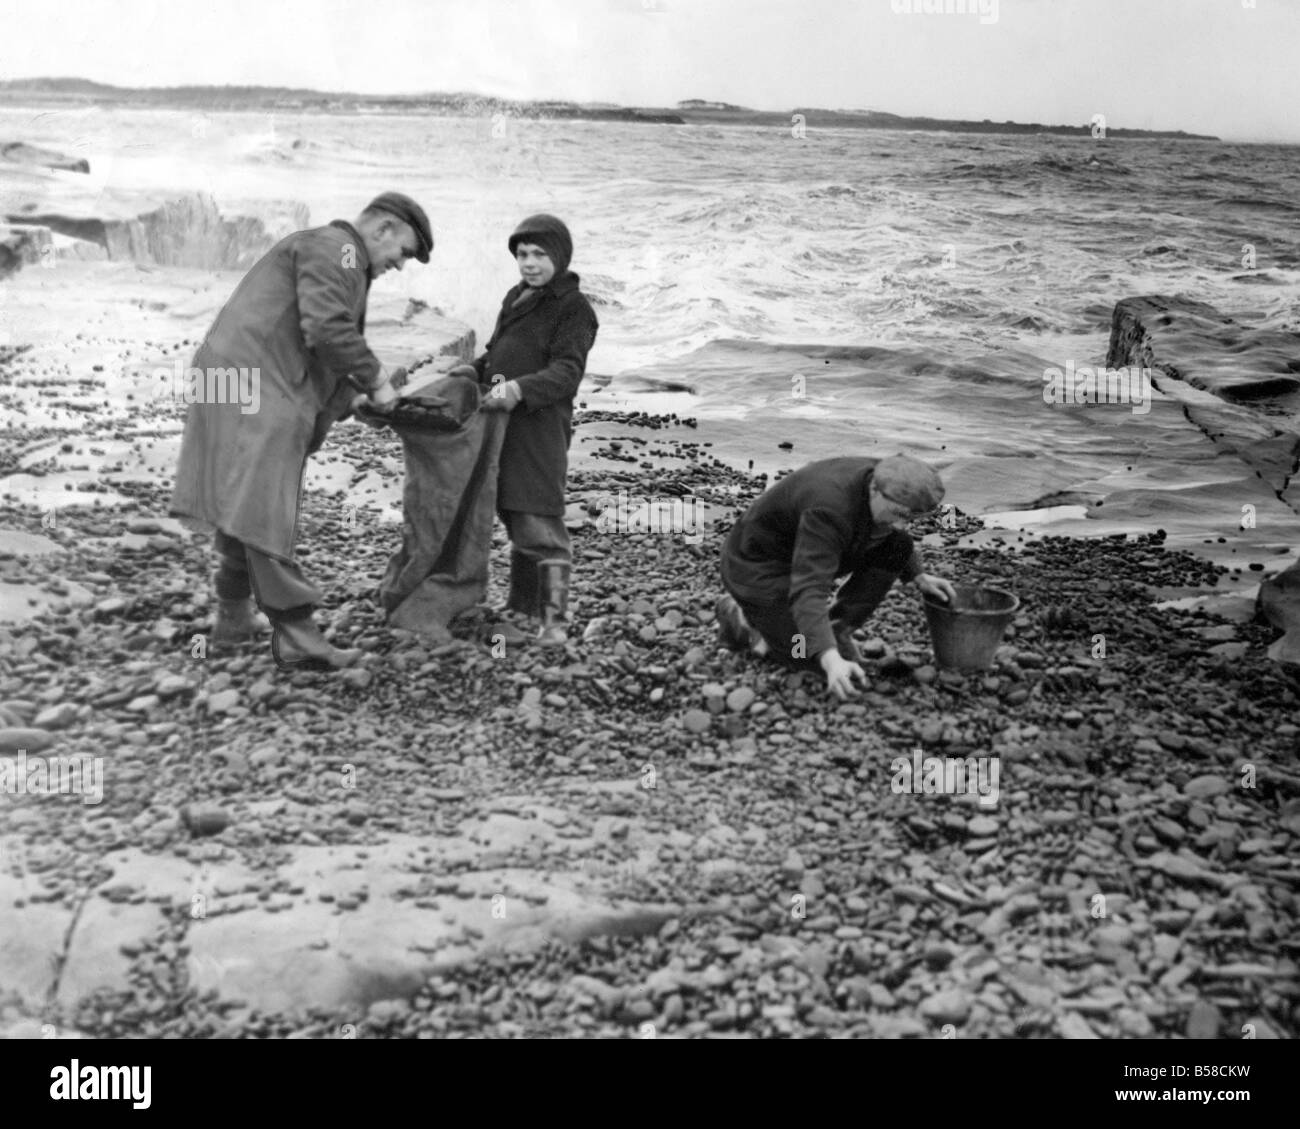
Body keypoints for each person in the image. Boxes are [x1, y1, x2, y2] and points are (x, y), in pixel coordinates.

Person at [170, 192, 434, 672]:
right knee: (263, 506)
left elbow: (314, 345)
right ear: (383, 230)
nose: (401, 264)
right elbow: (327, 331)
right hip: (254, 384)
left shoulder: (335, 253)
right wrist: (378, 384)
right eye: (403, 252)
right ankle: (296, 634)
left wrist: (352, 399)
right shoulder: (338, 249)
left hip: (233, 376)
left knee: (240, 499)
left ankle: (232, 617)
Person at [450, 214, 599, 646]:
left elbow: (566, 374)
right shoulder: (516, 296)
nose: (529, 263)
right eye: (521, 254)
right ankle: (520, 609)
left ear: (560, 256)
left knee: (540, 524)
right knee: (513, 512)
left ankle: (554, 623)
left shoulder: (574, 309)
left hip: (539, 431)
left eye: (539, 254)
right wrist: (474, 369)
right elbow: (498, 353)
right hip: (501, 427)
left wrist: (518, 389)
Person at [716, 454, 958, 699]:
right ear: (874, 488)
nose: (901, 525)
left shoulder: (890, 475)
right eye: (897, 513)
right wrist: (829, 659)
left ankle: (837, 629)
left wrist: (918, 575)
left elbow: (897, 531)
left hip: (802, 548)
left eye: (910, 518)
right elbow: (810, 589)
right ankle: (740, 617)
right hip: (757, 568)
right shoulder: (829, 510)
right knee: (804, 653)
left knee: (898, 545)